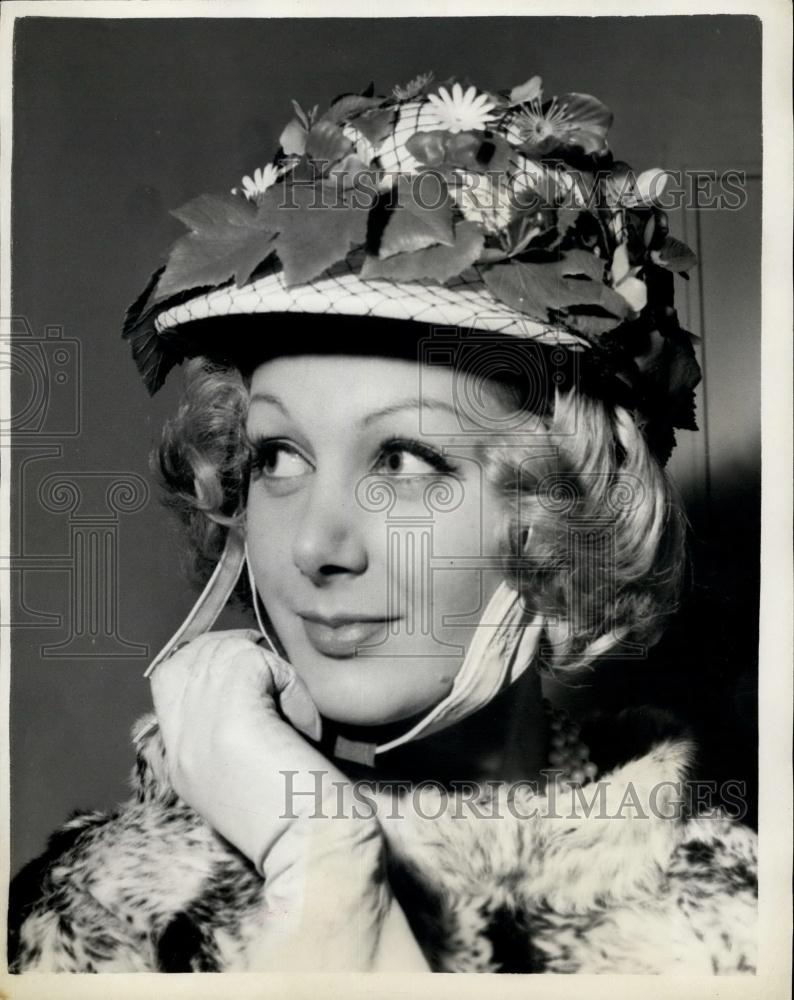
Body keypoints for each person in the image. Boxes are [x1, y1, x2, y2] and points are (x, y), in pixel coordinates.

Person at [8, 71, 757, 974]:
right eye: (279, 457)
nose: (317, 546)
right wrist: (314, 851)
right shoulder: (104, 919)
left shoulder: (723, 925)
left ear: (560, 511)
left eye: (403, 461)